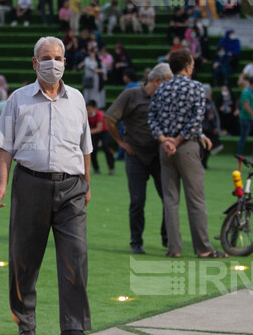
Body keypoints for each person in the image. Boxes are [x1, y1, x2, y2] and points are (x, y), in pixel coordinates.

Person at [0, 36, 94, 335]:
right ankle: (25, 322)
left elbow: (85, 146)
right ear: (35, 63)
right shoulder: (18, 100)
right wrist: (2, 184)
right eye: (46, 57)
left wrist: (87, 184)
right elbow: (4, 146)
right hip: (30, 183)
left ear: (65, 62)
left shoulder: (76, 99)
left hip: (72, 188)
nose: (53, 63)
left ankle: (73, 327)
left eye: (58, 57)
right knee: (24, 257)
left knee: (76, 256)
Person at [148, 49, 222, 259]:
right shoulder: (196, 87)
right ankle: (204, 248)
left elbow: (151, 117)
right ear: (189, 65)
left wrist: (164, 140)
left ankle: (174, 249)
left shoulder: (161, 88)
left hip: (165, 149)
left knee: (171, 200)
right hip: (186, 146)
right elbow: (196, 119)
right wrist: (178, 140)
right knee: (195, 198)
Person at [105, 63, 173, 254]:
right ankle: (136, 242)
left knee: (169, 199)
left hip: (159, 155)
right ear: (157, 80)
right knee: (137, 201)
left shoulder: (164, 99)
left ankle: (168, 238)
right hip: (135, 155)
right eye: (167, 83)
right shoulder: (131, 95)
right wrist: (120, 142)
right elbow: (110, 118)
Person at [86, 100, 115, 175]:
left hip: (104, 132)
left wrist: (87, 132)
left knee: (106, 147)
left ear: (94, 108)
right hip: (93, 132)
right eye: (86, 109)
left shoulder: (100, 114)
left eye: (89, 109)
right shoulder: (85, 115)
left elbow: (99, 128)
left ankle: (111, 168)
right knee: (92, 149)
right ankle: (96, 169)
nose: (87, 111)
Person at [237, 77, 253, 159]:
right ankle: (239, 155)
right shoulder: (246, 92)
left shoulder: (252, 92)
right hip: (246, 119)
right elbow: (246, 106)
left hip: (252, 119)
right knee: (243, 138)